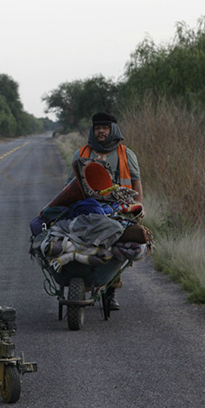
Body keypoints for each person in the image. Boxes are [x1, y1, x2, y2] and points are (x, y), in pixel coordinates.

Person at [65, 111, 143, 311]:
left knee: (116, 248)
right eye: (98, 128)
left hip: (119, 208)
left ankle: (111, 291)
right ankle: (81, 278)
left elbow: (136, 183)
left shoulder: (126, 154)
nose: (101, 131)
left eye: (105, 128)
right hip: (87, 209)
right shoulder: (81, 153)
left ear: (112, 130)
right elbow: (69, 185)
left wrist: (138, 208)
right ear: (93, 130)